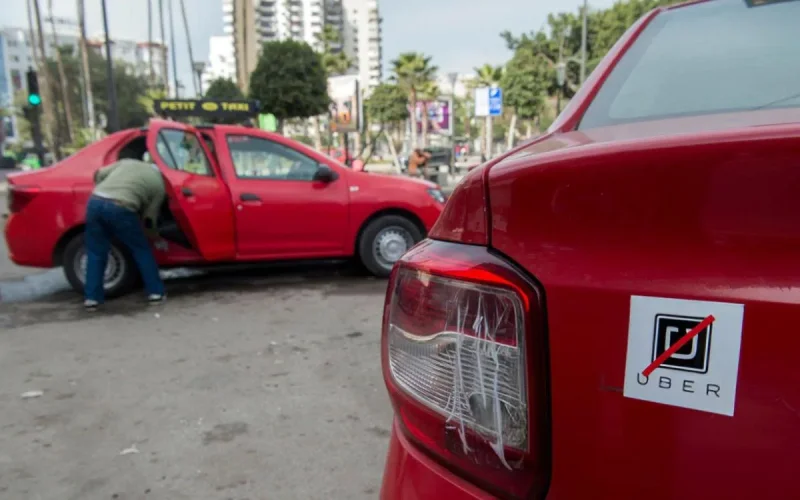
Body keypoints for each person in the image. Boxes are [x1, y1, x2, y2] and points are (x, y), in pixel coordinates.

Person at [83, 158, 167, 311]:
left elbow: (99, 173)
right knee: (141, 250)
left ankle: (92, 299)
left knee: (96, 252)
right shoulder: (159, 186)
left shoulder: (127, 162)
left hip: (95, 202)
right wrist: (154, 237)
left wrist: (103, 189)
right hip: (121, 207)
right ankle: (155, 293)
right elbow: (149, 218)